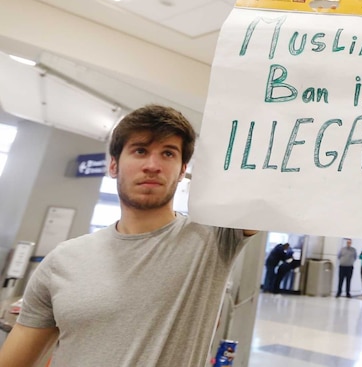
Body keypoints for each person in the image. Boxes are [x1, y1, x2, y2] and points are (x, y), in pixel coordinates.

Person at [0, 105, 257, 367]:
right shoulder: (60, 262)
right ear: (113, 165)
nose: (153, 165)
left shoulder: (213, 237)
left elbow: (273, 187)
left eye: (168, 153)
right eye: (140, 151)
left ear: (182, 171)